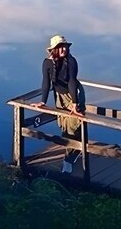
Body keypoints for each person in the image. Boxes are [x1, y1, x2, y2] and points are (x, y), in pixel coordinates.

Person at [40, 34, 85, 173]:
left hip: (74, 94)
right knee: (64, 126)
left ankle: (69, 159)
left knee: (74, 126)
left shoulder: (71, 61)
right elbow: (46, 83)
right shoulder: (47, 63)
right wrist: (43, 101)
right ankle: (74, 152)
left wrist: (74, 103)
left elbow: (72, 81)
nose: (64, 49)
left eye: (65, 46)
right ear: (54, 49)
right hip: (59, 96)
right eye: (60, 47)